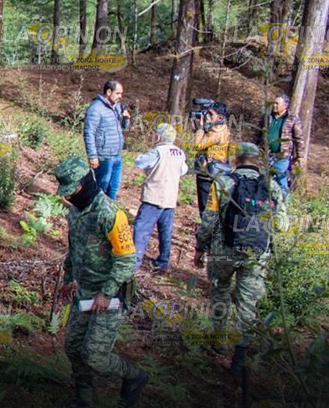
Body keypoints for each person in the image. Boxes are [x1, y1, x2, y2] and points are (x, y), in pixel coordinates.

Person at [53, 156, 148, 408]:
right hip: (83, 291)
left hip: (112, 295)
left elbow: (127, 260)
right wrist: (68, 279)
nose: (68, 197)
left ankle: (134, 376)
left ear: (83, 184)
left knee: (94, 356)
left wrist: (106, 293)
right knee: (73, 348)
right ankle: (84, 400)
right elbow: (73, 249)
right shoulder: (75, 212)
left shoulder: (110, 213)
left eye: (71, 190)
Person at [194, 143, 286, 379]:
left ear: (236, 159)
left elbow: (209, 219)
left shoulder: (223, 183)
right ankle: (240, 355)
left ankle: (218, 341)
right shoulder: (272, 187)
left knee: (220, 291)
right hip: (256, 253)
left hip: (224, 250)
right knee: (248, 304)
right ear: (258, 161)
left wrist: (200, 246)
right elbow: (282, 225)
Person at [131, 123, 188, 275]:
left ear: (160, 136)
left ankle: (134, 263)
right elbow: (183, 170)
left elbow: (140, 163)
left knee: (141, 230)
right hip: (170, 199)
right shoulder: (180, 153)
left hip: (153, 197)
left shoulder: (158, 152)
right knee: (165, 231)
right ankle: (163, 261)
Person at [83, 79, 131, 200]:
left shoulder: (117, 108)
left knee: (114, 187)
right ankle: (96, 211)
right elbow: (89, 133)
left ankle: (109, 212)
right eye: (118, 93)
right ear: (109, 92)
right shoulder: (96, 108)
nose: (120, 96)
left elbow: (123, 128)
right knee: (102, 186)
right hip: (104, 155)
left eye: (121, 94)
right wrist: (92, 156)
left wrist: (126, 119)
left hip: (116, 154)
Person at [187, 102, 231, 214]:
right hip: (210, 169)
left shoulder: (217, 131)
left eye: (211, 114)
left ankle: (207, 229)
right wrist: (198, 126)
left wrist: (201, 127)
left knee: (205, 204)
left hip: (208, 172)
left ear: (220, 117)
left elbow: (198, 145)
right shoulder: (216, 128)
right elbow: (202, 138)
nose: (207, 116)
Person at [259, 94, 303, 195]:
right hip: (266, 155)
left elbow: (299, 138)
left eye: (277, 104)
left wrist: (300, 156)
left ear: (285, 106)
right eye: (273, 103)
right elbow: (258, 134)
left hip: (282, 156)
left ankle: (283, 206)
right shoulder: (267, 117)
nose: (274, 106)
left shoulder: (292, 119)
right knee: (263, 180)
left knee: (280, 179)